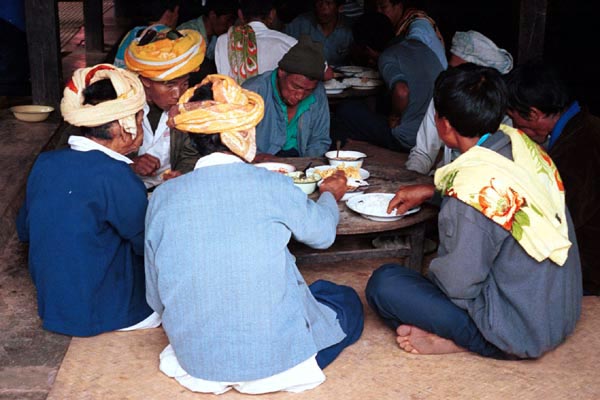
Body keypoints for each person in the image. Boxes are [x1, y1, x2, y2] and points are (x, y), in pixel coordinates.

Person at [146, 74, 364, 394]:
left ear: (195, 138)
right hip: (276, 362)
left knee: (306, 291)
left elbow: (156, 298)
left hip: (198, 361)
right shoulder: (273, 185)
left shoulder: (163, 196)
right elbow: (322, 235)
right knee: (344, 300)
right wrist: (330, 193)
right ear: (244, 133)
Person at [365, 64, 582, 359]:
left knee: (385, 284)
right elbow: (498, 205)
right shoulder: (523, 148)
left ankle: (465, 341)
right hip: (560, 312)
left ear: (444, 124)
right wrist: (435, 191)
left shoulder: (469, 194)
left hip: (522, 330)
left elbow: (457, 285)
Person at [16, 65, 160, 337]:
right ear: (122, 127)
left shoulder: (46, 163)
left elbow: (25, 229)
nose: (141, 127)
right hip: (107, 313)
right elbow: (148, 244)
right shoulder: (116, 176)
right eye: (140, 120)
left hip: (54, 308)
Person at [505, 62, 600, 296]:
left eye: (516, 120)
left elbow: (559, 220)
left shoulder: (578, 149)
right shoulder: (585, 125)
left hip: (592, 267)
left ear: (535, 114)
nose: (516, 128)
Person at [406, 30, 514, 175]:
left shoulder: (501, 115)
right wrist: (411, 178)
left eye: (461, 72)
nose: (453, 77)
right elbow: (423, 153)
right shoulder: (444, 98)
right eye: (452, 69)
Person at [332, 12, 444, 152]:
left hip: (408, 139)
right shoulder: (421, 47)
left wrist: (395, 117)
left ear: (366, 48)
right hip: (437, 135)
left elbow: (401, 91)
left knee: (346, 110)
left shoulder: (388, 57)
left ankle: (340, 155)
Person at [124, 26, 206, 188]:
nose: (178, 94)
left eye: (185, 83)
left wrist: (181, 174)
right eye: (169, 85)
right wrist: (129, 165)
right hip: (126, 189)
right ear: (146, 80)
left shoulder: (188, 104)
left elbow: (190, 153)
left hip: (166, 191)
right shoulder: (118, 106)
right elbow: (92, 157)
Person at [242, 35, 332, 158]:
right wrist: (257, 157)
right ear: (281, 72)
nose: (300, 96)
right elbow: (238, 140)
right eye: (295, 87)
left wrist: (306, 167)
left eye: (308, 90)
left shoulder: (318, 91)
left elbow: (320, 140)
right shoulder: (253, 90)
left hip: (301, 161)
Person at [214, 0, 297, 84]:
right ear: (272, 14)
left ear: (240, 15)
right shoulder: (291, 44)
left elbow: (223, 83)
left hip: (233, 96)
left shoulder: (225, 40)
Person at [374, 0, 446, 68]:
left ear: (399, 5)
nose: (378, 11)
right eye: (375, 7)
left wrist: (380, 57)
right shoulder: (398, 25)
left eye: (383, 7)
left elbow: (414, 56)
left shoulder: (419, 24)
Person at [285, 0, 353, 66]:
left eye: (328, 3)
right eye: (319, 2)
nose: (323, 7)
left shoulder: (348, 28)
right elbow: (282, 48)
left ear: (340, 8)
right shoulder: (300, 23)